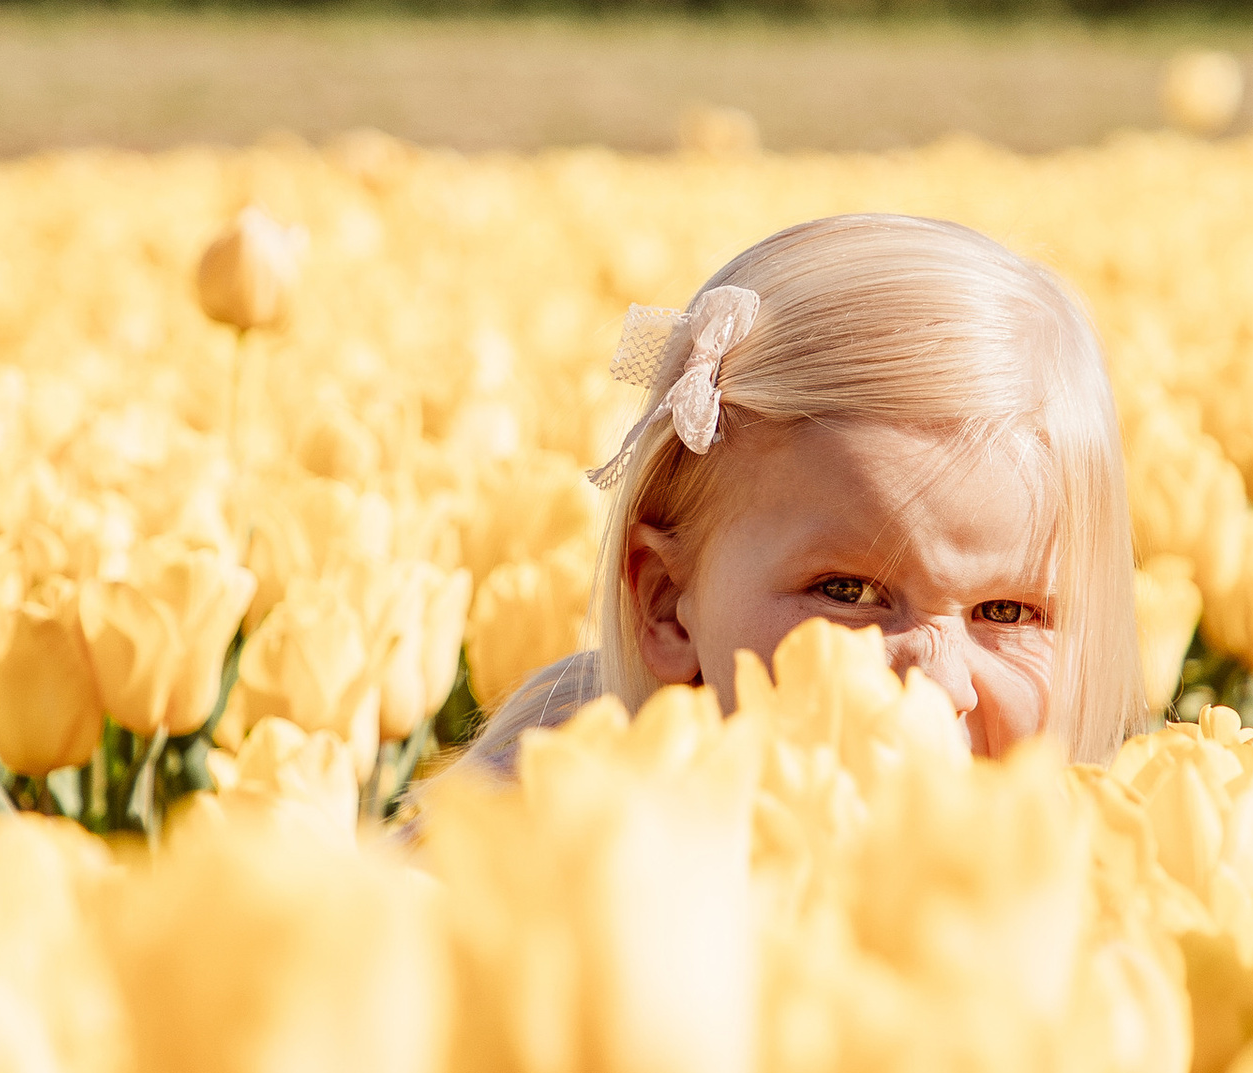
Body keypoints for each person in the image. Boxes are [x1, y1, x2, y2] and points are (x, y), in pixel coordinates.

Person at [463, 210, 1146, 777]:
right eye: (847, 592)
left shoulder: (1100, 895)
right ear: (668, 605)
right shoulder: (549, 883)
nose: (937, 687)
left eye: (1007, 610)